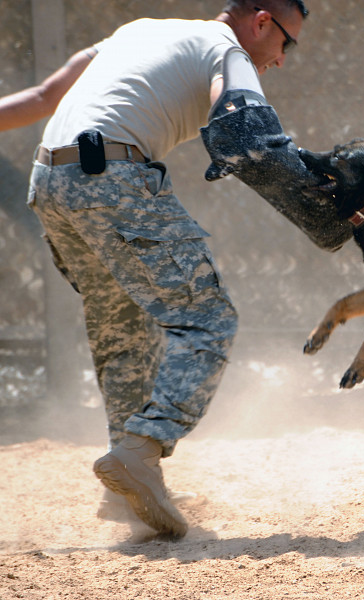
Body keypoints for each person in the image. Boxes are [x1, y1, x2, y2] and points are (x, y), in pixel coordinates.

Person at [0, 0, 309, 538]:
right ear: (262, 22)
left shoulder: (138, 30)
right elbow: (240, 121)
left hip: (49, 182)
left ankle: (128, 484)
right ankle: (140, 452)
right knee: (209, 318)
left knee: (124, 331)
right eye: (286, 43)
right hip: (110, 176)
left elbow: (44, 99)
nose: (281, 60)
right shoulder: (227, 49)